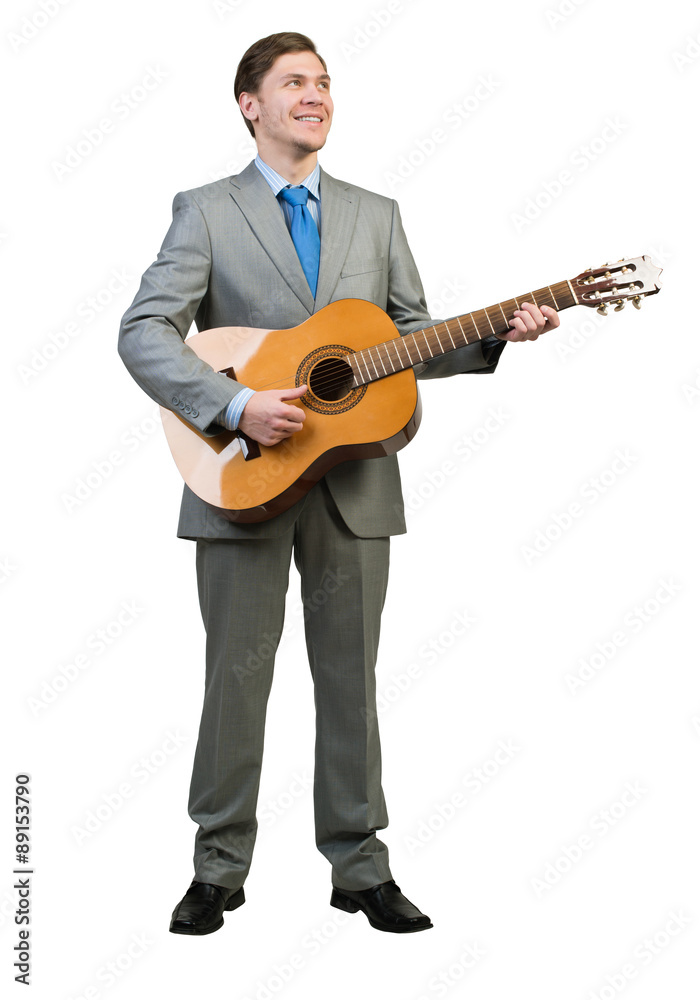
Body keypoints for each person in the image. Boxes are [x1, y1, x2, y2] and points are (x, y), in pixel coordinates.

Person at [118, 31, 559, 936]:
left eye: (323, 82)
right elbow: (145, 332)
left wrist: (495, 337)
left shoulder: (377, 212)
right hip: (240, 477)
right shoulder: (204, 211)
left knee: (349, 682)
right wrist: (235, 408)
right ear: (251, 104)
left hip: (354, 487)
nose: (315, 95)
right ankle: (217, 868)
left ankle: (359, 867)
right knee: (233, 681)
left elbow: (407, 336)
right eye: (294, 83)